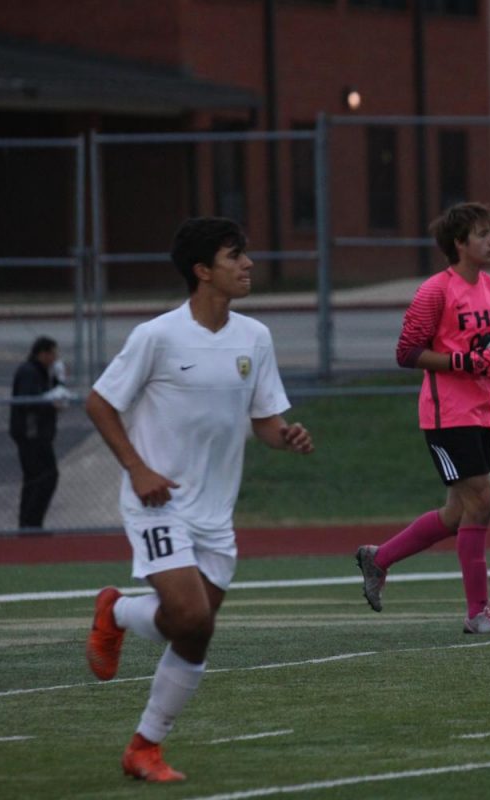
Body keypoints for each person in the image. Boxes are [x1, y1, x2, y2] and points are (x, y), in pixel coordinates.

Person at [83, 217, 314, 782]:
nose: (248, 265)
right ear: (202, 270)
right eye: (235, 256)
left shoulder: (254, 337)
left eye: (246, 255)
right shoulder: (157, 336)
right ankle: (144, 742)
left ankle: (119, 628)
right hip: (158, 503)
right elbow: (98, 403)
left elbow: (264, 418)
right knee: (189, 616)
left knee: (193, 628)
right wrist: (138, 469)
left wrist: (284, 435)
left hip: (216, 514)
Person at [354, 201, 490, 634]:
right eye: (482, 233)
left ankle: (377, 559)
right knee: (483, 502)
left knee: (459, 512)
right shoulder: (435, 290)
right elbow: (407, 353)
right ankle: (478, 613)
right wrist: (466, 363)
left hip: (485, 408)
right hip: (447, 413)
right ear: (459, 243)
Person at [9, 335, 71, 529]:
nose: (55, 359)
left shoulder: (43, 373)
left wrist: (60, 382)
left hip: (41, 435)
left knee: (39, 479)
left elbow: (53, 396)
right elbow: (30, 401)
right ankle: (30, 522)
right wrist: (50, 401)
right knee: (44, 477)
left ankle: (31, 523)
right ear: (43, 353)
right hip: (31, 435)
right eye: (53, 354)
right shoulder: (29, 371)